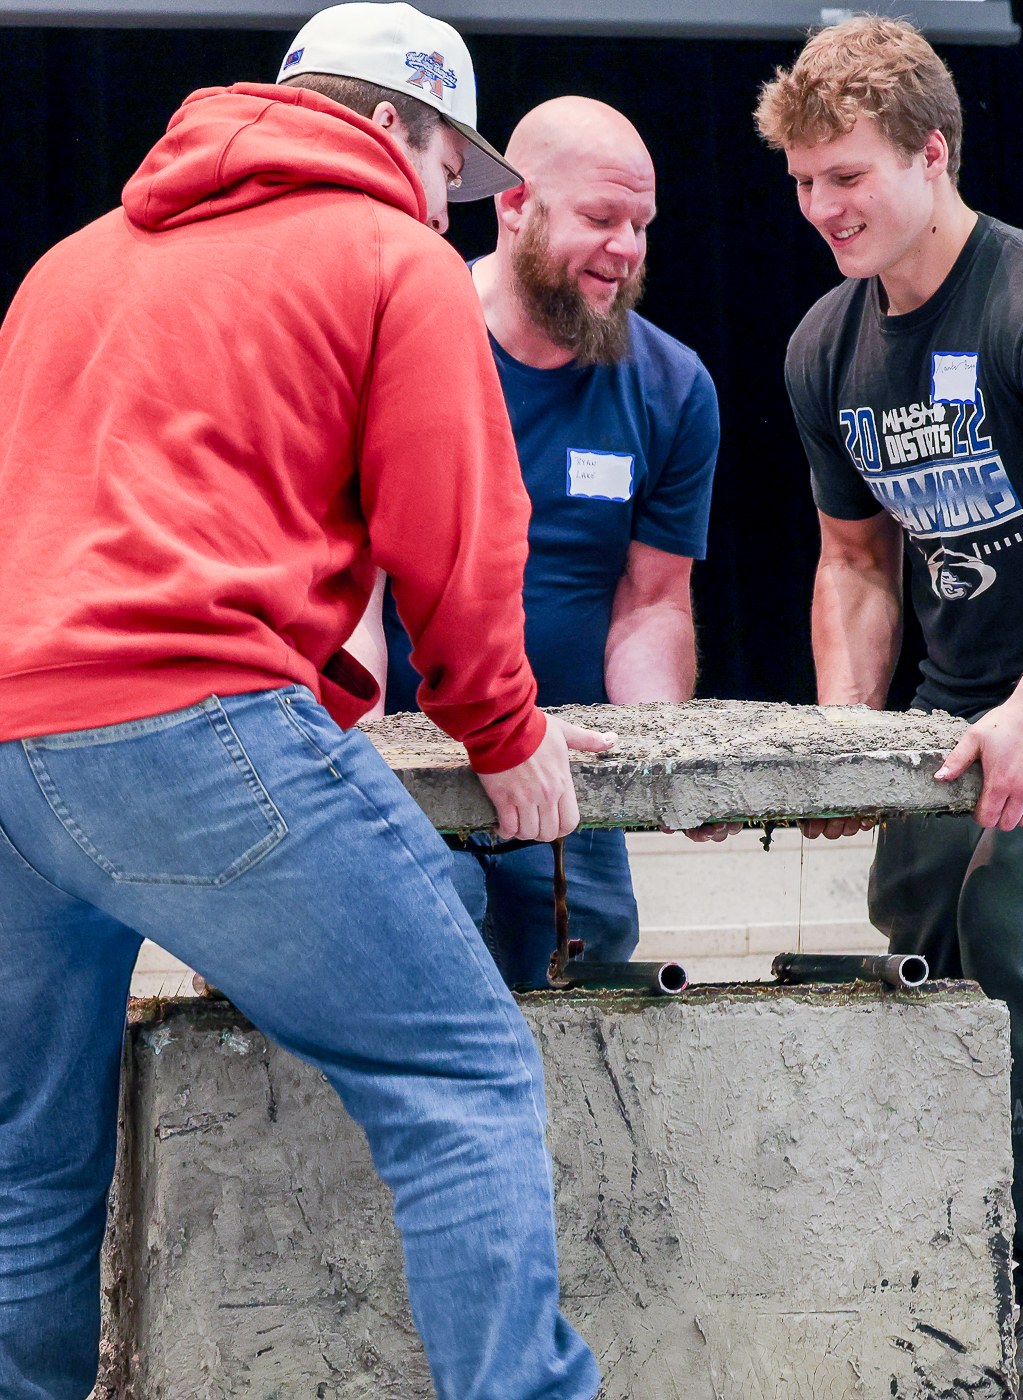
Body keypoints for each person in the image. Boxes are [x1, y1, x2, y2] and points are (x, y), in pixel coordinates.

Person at [0, 4, 611, 1396]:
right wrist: (506, 735)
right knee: (463, 1081)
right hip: (192, 732)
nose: (446, 207)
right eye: (446, 168)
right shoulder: (393, 257)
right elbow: (454, 537)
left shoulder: (67, 265)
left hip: (13, 747)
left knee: (25, 1167)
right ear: (392, 124)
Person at [756, 18, 1023, 1399]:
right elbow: (854, 560)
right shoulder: (826, 345)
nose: (822, 209)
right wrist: (842, 740)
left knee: (1007, 925)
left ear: (931, 155)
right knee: (918, 933)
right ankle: (947, 1257)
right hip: (957, 689)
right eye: (803, 182)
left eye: (847, 177)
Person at [381, 96, 723, 989]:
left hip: (565, 773)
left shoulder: (671, 385)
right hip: (412, 761)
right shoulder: (406, 336)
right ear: (513, 204)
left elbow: (650, 603)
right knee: (430, 956)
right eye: (600, 219)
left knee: (595, 967)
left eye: (641, 225)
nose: (627, 249)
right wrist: (362, 762)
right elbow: (356, 589)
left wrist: (661, 759)